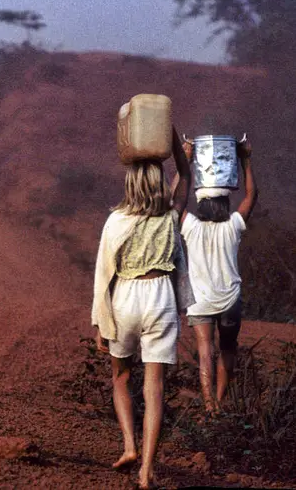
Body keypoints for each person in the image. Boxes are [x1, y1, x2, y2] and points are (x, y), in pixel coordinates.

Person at [92, 128, 194, 489]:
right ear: (159, 185)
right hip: (161, 298)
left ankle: (129, 446)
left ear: (130, 185)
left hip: (125, 299)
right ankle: (147, 470)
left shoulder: (116, 220)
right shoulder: (170, 216)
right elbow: (187, 177)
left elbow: (103, 274)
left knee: (121, 377)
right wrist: (176, 140)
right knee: (155, 387)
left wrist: (99, 321)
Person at [179, 139, 258, 415]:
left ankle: (208, 404)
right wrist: (245, 160)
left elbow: (171, 201)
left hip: (200, 301)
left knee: (205, 353)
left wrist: (185, 162)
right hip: (229, 300)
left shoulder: (190, 227)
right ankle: (221, 404)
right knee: (227, 349)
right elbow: (251, 196)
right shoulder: (234, 225)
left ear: (201, 205)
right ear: (225, 202)